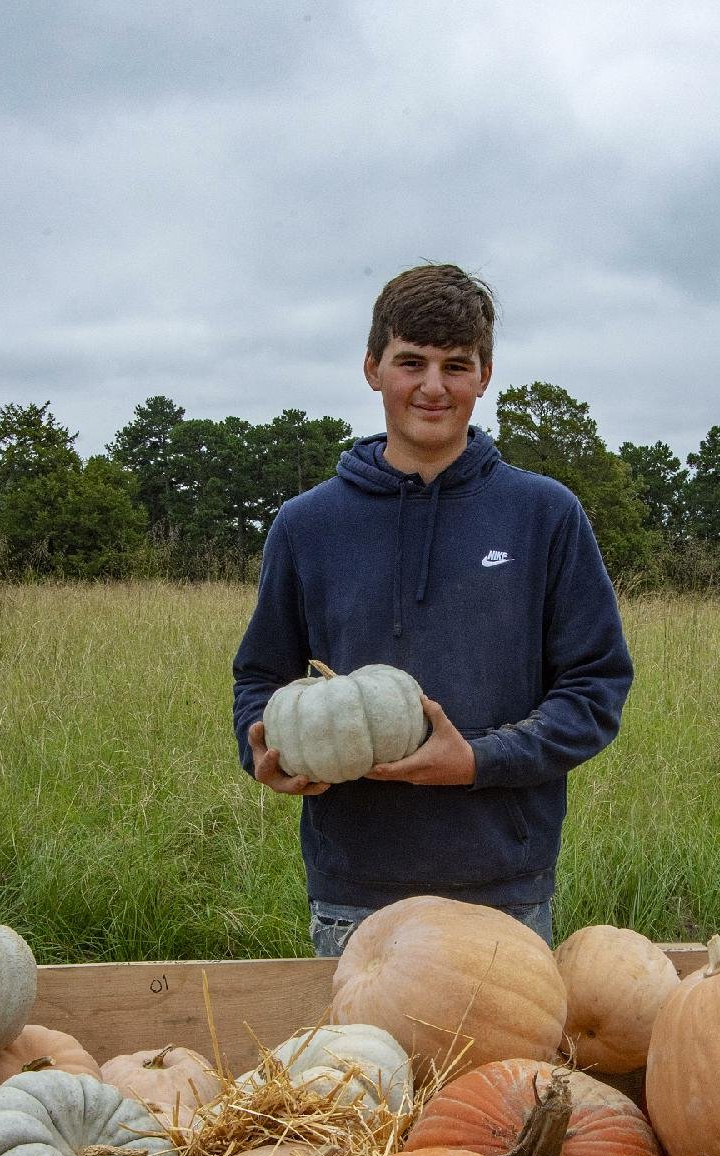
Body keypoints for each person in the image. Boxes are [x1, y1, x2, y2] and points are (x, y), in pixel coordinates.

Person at [233, 263, 633, 957]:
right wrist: (264, 751)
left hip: (505, 887)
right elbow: (258, 678)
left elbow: (595, 691)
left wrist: (477, 760)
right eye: (410, 362)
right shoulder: (307, 524)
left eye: (456, 365)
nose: (432, 387)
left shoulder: (546, 515)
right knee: (363, 1069)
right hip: (353, 891)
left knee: (505, 1068)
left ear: (484, 375)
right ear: (371, 367)